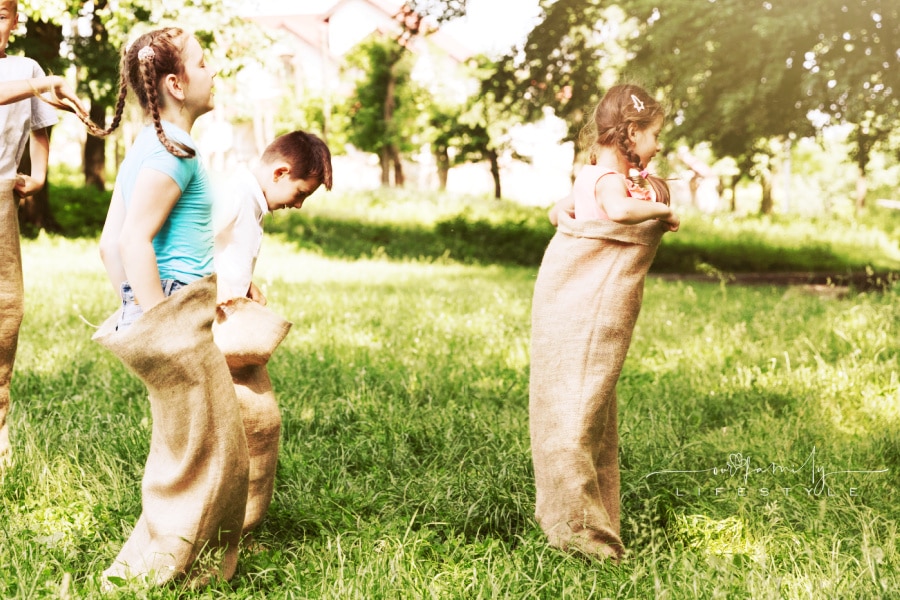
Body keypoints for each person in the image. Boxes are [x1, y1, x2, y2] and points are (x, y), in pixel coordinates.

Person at [93, 27, 248, 587]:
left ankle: (183, 567)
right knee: (214, 456)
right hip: (177, 312)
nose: (213, 72)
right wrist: (161, 326)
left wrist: (132, 305)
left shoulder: (147, 147)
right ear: (176, 84)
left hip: (165, 308)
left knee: (191, 450)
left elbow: (109, 243)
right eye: (203, 63)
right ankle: (168, 572)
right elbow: (133, 241)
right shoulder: (173, 152)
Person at [529, 83, 679, 562]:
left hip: (577, 306)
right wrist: (664, 210)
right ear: (631, 133)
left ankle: (588, 517)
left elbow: (565, 211)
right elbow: (617, 212)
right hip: (581, 300)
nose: (658, 146)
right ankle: (582, 535)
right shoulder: (610, 183)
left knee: (592, 408)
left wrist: (561, 211)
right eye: (654, 135)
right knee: (579, 412)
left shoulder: (589, 174)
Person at [211, 130, 332, 537]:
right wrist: (214, 287)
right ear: (280, 172)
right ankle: (224, 524)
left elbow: (228, 251)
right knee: (242, 420)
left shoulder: (253, 200)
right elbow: (189, 242)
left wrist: (244, 284)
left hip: (230, 317)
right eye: (300, 192)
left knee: (259, 420)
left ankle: (240, 525)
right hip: (213, 324)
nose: (297, 204)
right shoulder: (236, 194)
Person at [0, 0, 94, 464]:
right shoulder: (31, 76)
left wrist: (37, 175)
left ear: (15, 21)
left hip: (0, 202)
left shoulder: (24, 67)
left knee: (4, 315)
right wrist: (43, 83)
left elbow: (41, 121)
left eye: (1, 13)